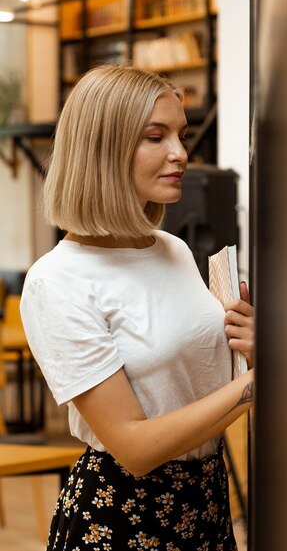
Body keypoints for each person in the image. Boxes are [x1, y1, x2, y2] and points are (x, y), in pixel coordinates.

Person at [20, 64, 254, 551]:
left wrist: (253, 346)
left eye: (181, 136)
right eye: (155, 137)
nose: (181, 155)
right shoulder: (57, 281)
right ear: (102, 150)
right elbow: (134, 447)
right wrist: (260, 381)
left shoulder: (171, 248)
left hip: (207, 500)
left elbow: (198, 384)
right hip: (123, 517)